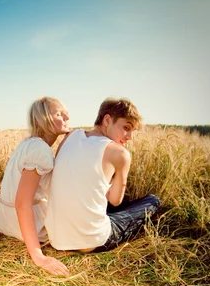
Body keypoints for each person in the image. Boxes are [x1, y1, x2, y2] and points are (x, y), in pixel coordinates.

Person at [45, 97, 160, 253]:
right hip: (91, 242)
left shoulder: (70, 136)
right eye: (126, 127)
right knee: (152, 200)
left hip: (57, 238)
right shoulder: (120, 154)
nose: (129, 137)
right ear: (107, 120)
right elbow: (115, 200)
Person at [0, 96, 70, 276]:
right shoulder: (40, 150)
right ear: (44, 120)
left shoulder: (29, 143)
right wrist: (39, 257)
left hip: (5, 221)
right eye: (59, 114)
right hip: (27, 226)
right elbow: (22, 203)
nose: (67, 116)